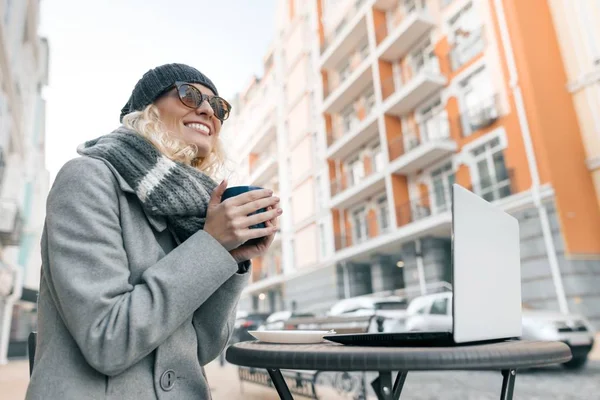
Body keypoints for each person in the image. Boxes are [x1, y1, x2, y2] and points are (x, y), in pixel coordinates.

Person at [25, 63, 282, 400]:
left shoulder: (194, 214)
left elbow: (203, 347)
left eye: (219, 107)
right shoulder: (87, 178)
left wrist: (229, 257)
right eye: (189, 95)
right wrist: (211, 244)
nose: (207, 110)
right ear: (146, 110)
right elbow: (108, 340)